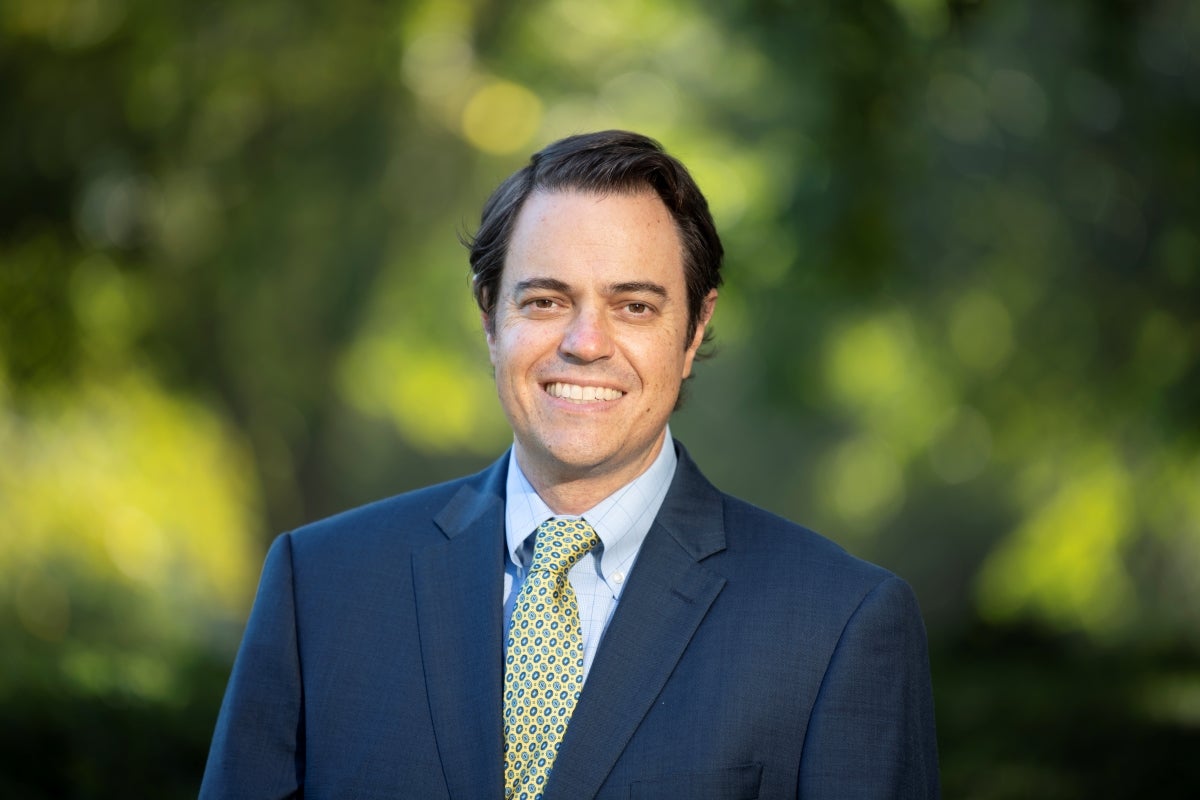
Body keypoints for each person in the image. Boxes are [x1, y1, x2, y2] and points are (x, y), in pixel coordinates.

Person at [200, 130, 940, 799]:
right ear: (490, 317)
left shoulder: (839, 626)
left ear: (694, 331)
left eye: (635, 307)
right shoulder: (321, 588)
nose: (586, 342)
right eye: (548, 300)